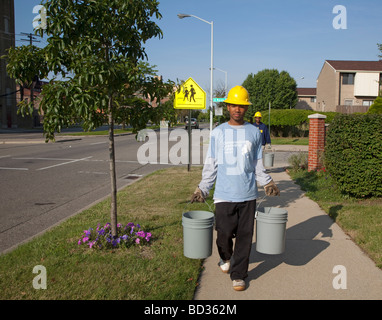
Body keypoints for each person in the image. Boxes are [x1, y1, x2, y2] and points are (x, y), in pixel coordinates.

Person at [190, 86, 280, 291]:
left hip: (247, 194)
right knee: (223, 234)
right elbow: (211, 163)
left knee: (245, 236)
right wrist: (203, 188)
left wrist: (267, 182)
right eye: (233, 105)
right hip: (223, 195)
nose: (237, 109)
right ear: (228, 106)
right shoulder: (218, 132)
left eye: (241, 106)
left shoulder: (254, 133)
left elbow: (257, 163)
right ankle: (225, 257)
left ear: (246, 108)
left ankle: (239, 275)